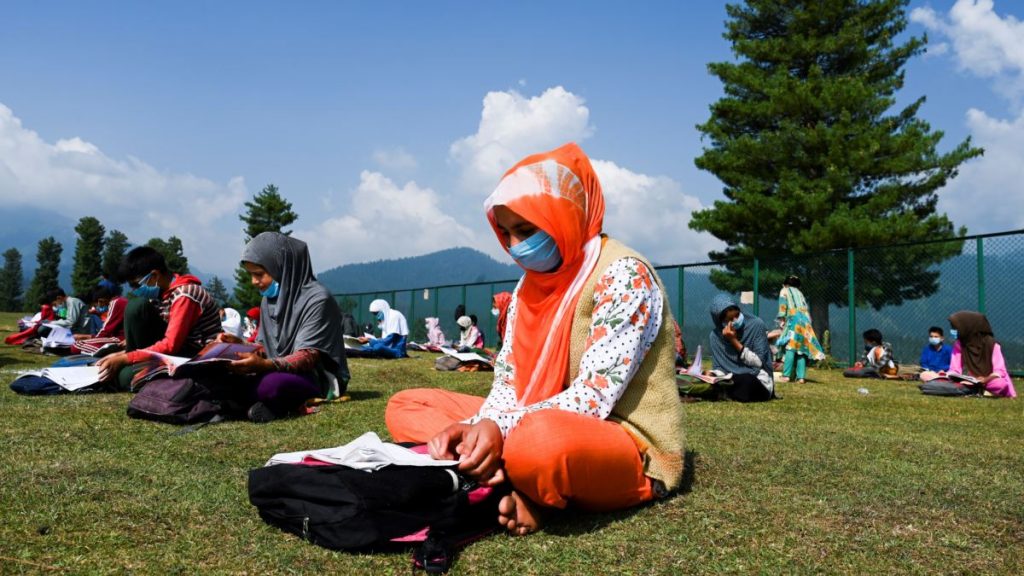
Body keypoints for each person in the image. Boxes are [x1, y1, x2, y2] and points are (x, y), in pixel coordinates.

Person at [386, 143, 684, 536]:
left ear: (565, 215)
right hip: (532, 415)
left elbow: (595, 399)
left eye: (527, 230)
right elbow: (508, 383)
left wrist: (497, 430)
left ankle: (518, 481)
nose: (514, 246)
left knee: (540, 444)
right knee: (407, 405)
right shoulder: (530, 284)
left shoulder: (624, 274)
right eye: (506, 233)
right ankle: (507, 476)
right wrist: (485, 423)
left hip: (620, 437)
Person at [218, 232, 351, 422]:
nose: (254, 281)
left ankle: (254, 403)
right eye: (251, 275)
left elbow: (308, 357)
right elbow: (266, 348)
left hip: (314, 376)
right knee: (224, 376)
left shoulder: (317, 300)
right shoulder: (268, 301)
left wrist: (265, 365)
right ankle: (255, 404)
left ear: (282, 269)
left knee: (272, 385)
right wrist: (237, 344)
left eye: (259, 274)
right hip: (273, 368)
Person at [96, 247, 222, 390]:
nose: (134, 290)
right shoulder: (160, 295)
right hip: (175, 353)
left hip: (195, 357)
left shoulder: (185, 295)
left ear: (154, 275)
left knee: (124, 376)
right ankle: (134, 367)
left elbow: (170, 345)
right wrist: (121, 355)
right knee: (135, 308)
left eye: (135, 284)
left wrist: (124, 359)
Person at [707, 295, 774, 402]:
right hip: (730, 380)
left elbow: (759, 363)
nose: (736, 320)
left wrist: (733, 340)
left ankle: (724, 393)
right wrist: (712, 374)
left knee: (746, 380)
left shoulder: (756, 325)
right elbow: (720, 368)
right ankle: (723, 392)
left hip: (757, 379)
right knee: (707, 381)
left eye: (737, 315)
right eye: (730, 319)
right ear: (721, 322)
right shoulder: (715, 336)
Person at [947, 311, 1016, 398]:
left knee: (1000, 384)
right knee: (926, 375)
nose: (953, 331)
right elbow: (954, 369)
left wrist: (985, 379)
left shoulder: (992, 344)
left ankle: (979, 390)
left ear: (968, 327)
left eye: (955, 328)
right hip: (970, 381)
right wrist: (959, 378)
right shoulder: (959, 344)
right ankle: (979, 390)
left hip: (990, 380)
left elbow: (999, 371)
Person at [776, 275, 824, 383]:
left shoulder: (784, 290)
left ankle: (786, 375)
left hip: (794, 319)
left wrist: (782, 320)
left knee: (790, 347)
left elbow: (783, 306)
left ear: (785, 284)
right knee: (801, 349)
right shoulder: (800, 293)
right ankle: (801, 377)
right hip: (805, 321)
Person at [71, 285, 128, 355]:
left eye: (98, 303)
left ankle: (111, 352)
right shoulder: (120, 301)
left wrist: (94, 340)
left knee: (77, 345)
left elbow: (106, 330)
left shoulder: (115, 303)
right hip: (121, 338)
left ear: (100, 300)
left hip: (119, 339)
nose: (99, 305)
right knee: (81, 342)